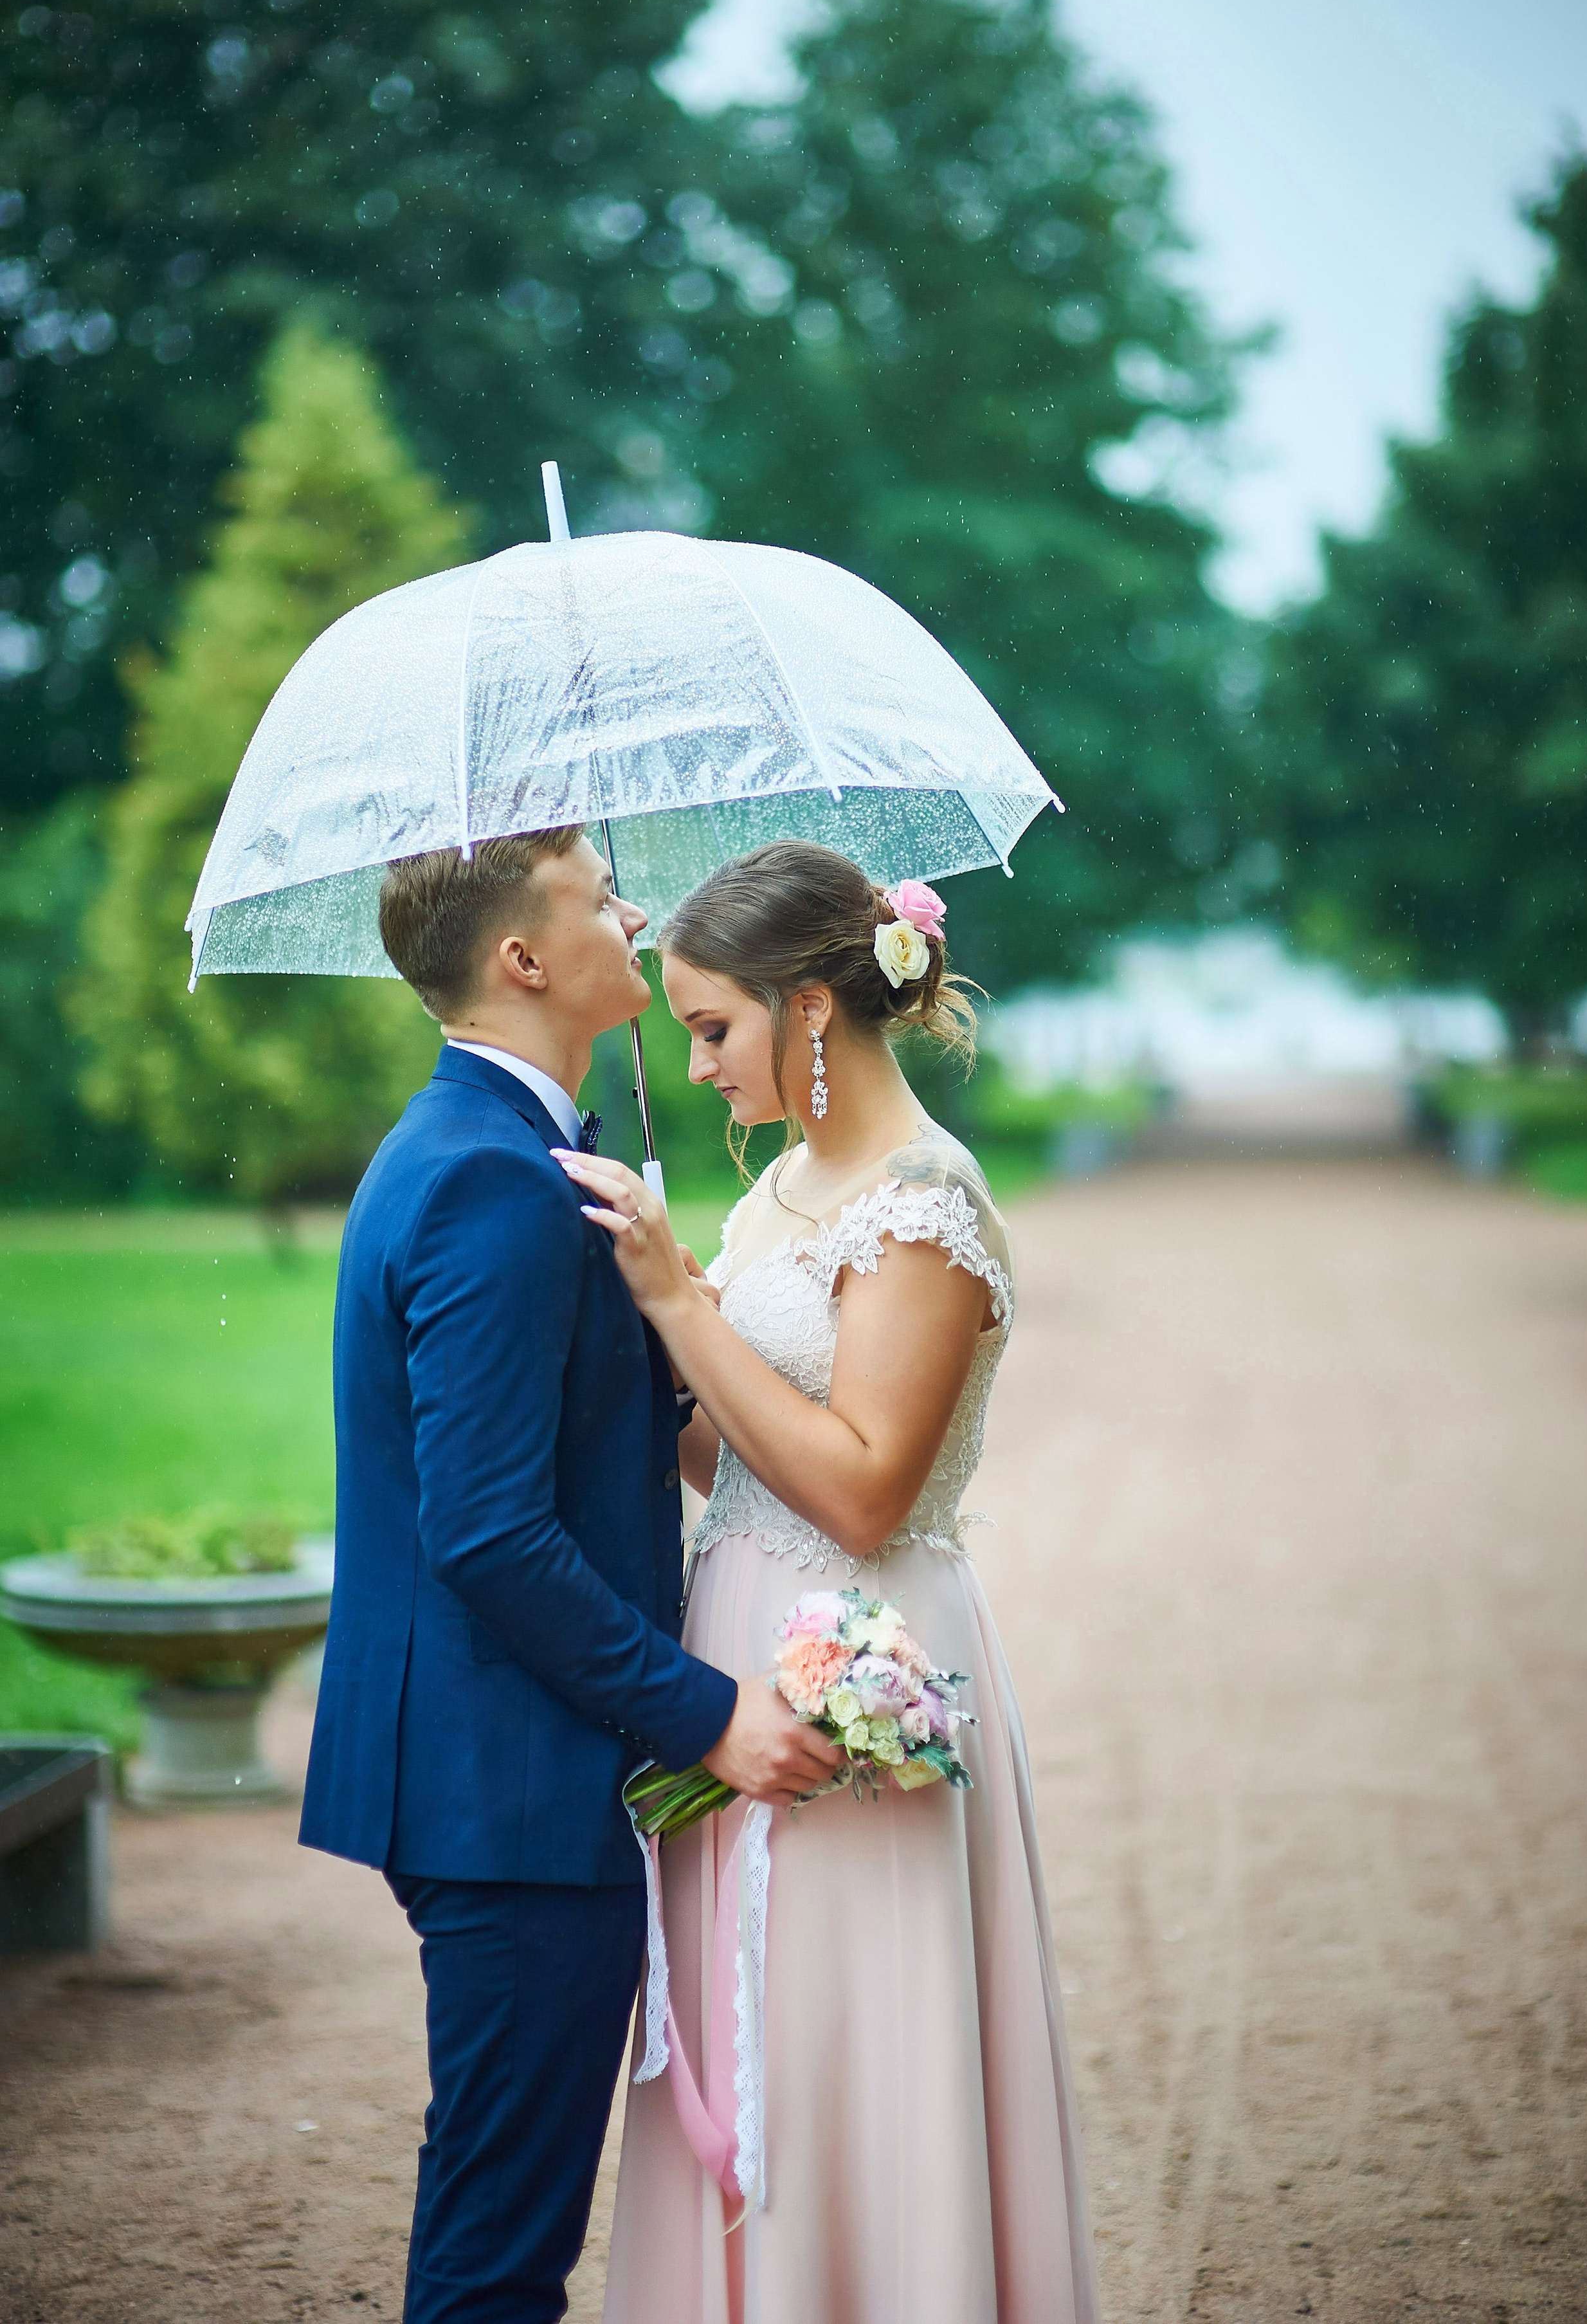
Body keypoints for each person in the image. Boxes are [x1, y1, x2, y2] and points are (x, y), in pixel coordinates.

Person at [299, 825, 841, 2324]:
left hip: (502, 1774)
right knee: (500, 2247)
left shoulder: (517, 1154)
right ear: (524, 958)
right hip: (506, 1791)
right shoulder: (485, 1179)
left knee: (503, 2208)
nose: (635, 911)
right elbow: (483, 1531)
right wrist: (703, 1713)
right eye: (602, 896)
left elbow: (558, 1441)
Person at [556, 840, 1097, 2324]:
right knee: (750, 2056)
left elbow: (859, 1489)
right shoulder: (782, 1188)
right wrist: (633, 1363)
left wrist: (682, 1304)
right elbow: (737, 1458)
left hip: (860, 1665)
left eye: (711, 1024)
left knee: (852, 2047)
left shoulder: (925, 1205)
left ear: (809, 1009)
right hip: (735, 1654)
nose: (693, 1056)